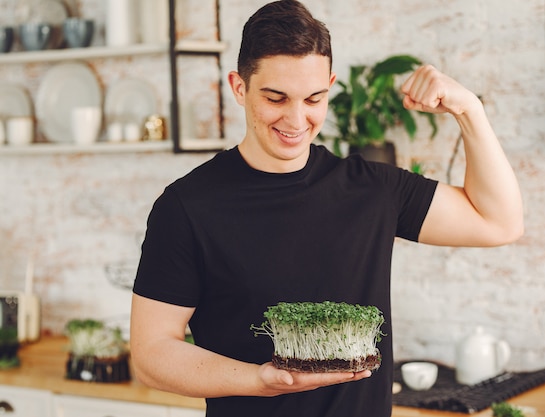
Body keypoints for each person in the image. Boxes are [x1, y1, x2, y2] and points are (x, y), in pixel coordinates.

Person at [130, 1, 523, 416]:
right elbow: (151, 355)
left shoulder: (372, 189)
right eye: (276, 98)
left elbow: (498, 223)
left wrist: (469, 111)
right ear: (239, 87)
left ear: (330, 86)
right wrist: (260, 380)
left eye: (314, 98)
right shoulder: (188, 206)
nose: (297, 119)